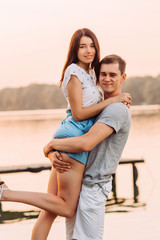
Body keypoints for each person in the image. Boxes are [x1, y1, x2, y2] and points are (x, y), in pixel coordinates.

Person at [0, 28, 131, 240]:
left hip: (68, 136)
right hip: (74, 134)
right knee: (67, 208)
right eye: (82, 46)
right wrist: (113, 100)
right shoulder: (74, 72)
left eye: (92, 45)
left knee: (50, 209)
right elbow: (79, 115)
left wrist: (52, 149)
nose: (88, 50)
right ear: (75, 49)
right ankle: (6, 193)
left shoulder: (91, 72)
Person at [43, 54, 132, 240]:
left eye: (113, 75)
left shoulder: (116, 109)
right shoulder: (99, 107)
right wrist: (52, 153)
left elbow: (85, 143)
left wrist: (51, 145)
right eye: (103, 74)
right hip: (79, 184)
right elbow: (74, 134)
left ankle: (6, 193)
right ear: (97, 76)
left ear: (122, 78)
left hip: (94, 187)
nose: (107, 79)